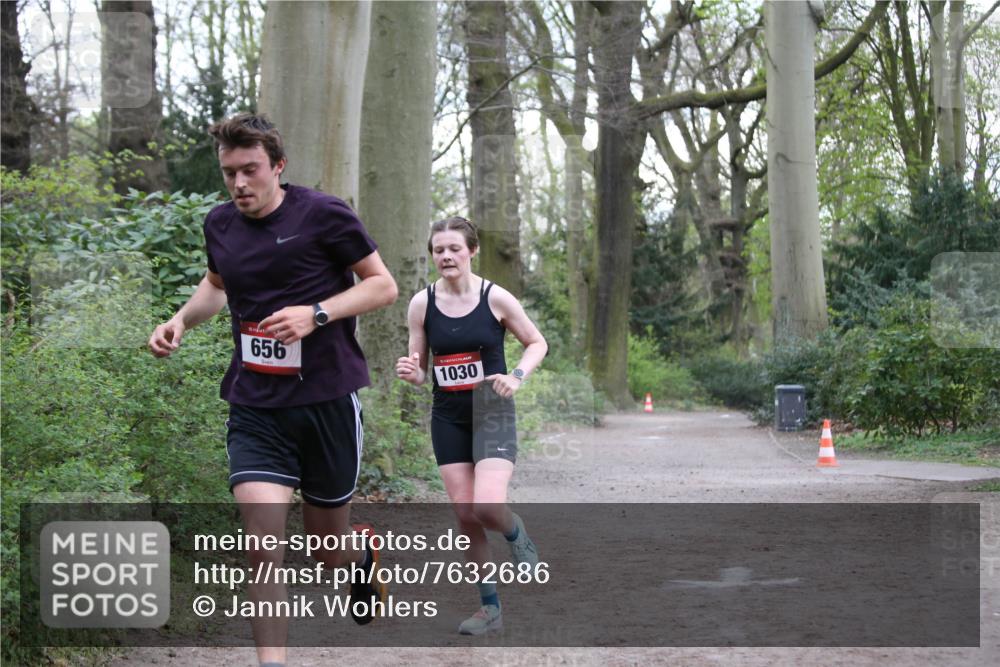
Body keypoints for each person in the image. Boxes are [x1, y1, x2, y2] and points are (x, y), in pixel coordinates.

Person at [148, 113, 397, 666]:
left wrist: (317, 313)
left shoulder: (324, 214)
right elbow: (216, 286)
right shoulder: (220, 224)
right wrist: (180, 320)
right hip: (256, 406)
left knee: (326, 550)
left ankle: (359, 557)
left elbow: (383, 286)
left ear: (278, 166)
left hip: (327, 402)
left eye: (251, 170)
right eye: (229, 172)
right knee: (263, 549)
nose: (239, 184)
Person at [395, 217, 548, 635]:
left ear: (472, 251)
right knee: (465, 513)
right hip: (448, 416)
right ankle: (489, 608)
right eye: (438, 250)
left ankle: (516, 534)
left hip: (491, 410)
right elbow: (421, 369)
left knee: (487, 507)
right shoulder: (421, 304)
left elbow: (537, 342)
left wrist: (516, 375)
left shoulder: (495, 298)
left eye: (454, 249)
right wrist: (412, 372)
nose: (446, 256)